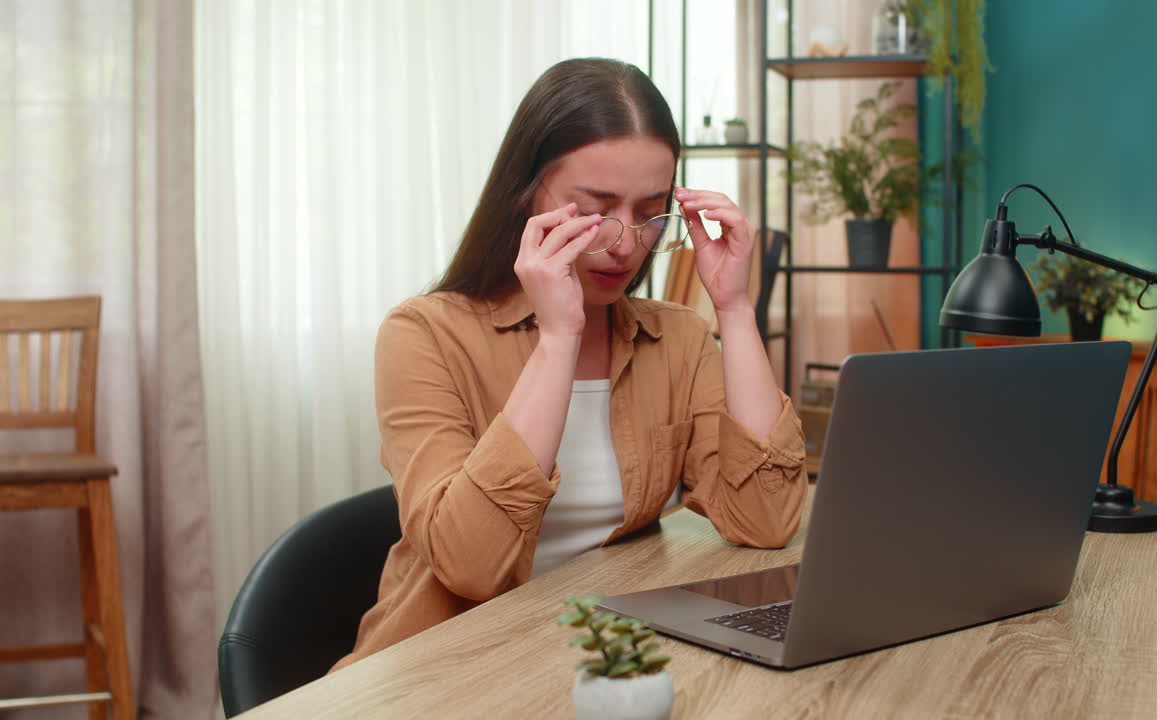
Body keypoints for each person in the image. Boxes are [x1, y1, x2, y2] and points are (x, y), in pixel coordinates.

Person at [331, 57, 806, 672]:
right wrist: (559, 338)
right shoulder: (424, 333)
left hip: (591, 655)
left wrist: (736, 308)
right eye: (597, 206)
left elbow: (765, 522)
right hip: (443, 668)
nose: (626, 242)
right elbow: (472, 567)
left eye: (650, 211)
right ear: (526, 192)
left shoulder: (680, 338)